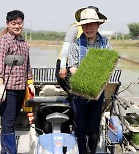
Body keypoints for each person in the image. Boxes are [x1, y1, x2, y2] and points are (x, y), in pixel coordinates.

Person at [68, 6, 112, 154]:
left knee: (93, 129)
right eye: (85, 25)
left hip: (98, 94)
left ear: (98, 25)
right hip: (79, 93)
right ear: (81, 27)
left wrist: (99, 81)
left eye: (91, 24)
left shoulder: (106, 44)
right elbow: (72, 68)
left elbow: (108, 68)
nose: (88, 28)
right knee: (80, 129)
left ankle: (91, 151)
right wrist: (85, 80)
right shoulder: (75, 45)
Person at [0, 10, 35, 154]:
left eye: (19, 23)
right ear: (7, 24)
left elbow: (27, 64)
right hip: (7, 89)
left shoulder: (23, 42)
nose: (17, 26)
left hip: (21, 88)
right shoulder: (3, 42)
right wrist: (0, 86)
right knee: (8, 122)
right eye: (13, 23)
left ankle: (6, 151)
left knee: (11, 120)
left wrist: (30, 82)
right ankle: (11, 151)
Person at [56, 22, 82, 94]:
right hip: (67, 63)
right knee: (73, 91)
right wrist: (63, 67)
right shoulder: (75, 28)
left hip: (79, 65)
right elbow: (66, 46)